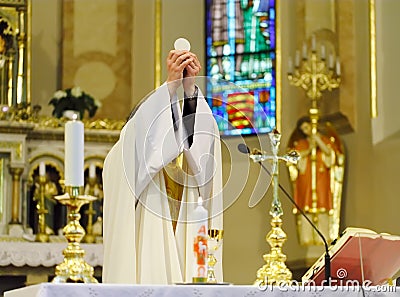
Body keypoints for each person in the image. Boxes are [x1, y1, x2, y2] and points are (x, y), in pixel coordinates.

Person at [102, 49, 223, 284]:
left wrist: (190, 95)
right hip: (143, 269)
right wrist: (169, 87)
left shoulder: (184, 169)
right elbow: (142, 139)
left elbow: (203, 149)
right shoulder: (120, 157)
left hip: (185, 263)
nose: (173, 139)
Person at [287, 116, 345, 246]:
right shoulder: (301, 144)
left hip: (321, 180)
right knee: (306, 209)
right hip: (306, 181)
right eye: (303, 129)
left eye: (307, 127)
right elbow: (296, 159)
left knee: (322, 207)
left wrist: (317, 140)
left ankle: (323, 238)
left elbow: (331, 156)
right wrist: (308, 149)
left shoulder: (325, 141)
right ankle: (306, 239)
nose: (306, 131)